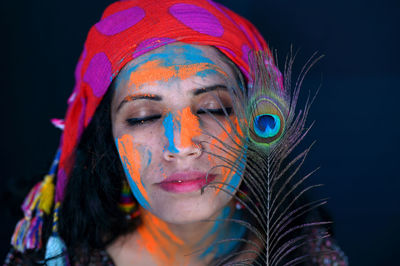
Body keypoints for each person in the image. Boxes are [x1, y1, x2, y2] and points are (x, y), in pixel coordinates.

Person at [5, 0, 348, 265]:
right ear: (108, 139)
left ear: (257, 125)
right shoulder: (57, 259)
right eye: (143, 117)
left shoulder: (309, 255)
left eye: (214, 108)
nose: (181, 145)